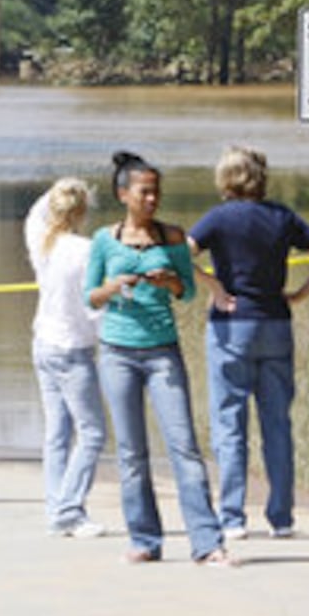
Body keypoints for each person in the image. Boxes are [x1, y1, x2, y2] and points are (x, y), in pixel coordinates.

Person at [187, 145, 309, 540]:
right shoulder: (281, 216)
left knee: (229, 423)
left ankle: (233, 517)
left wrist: (214, 286)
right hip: (275, 321)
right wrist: (302, 294)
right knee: (277, 423)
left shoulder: (219, 218)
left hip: (231, 325)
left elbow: (178, 255)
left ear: (226, 179)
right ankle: (282, 516)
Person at [86, 151, 232, 566]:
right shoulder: (103, 240)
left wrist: (170, 282)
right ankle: (145, 539)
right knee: (131, 452)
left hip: (162, 351)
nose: (152, 200)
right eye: (144, 192)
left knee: (183, 446)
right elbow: (89, 296)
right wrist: (114, 286)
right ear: (123, 194)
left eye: (156, 192)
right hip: (117, 353)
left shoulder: (172, 237)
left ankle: (207, 542)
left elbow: (187, 291)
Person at [25, 177, 107, 538]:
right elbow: (93, 305)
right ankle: (69, 510)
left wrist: (60, 187)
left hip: (44, 343)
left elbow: (34, 213)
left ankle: (56, 506)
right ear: (82, 212)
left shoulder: (42, 242)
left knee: (58, 433)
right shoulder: (85, 249)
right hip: (72, 349)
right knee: (91, 434)